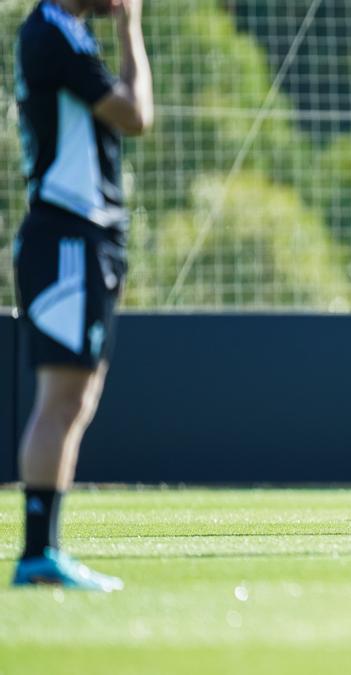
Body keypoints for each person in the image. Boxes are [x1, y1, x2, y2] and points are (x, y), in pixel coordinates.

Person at [11, 0, 153, 591]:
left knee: (76, 398)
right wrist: (131, 28)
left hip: (86, 236)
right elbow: (135, 114)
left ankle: (44, 552)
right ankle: (38, 554)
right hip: (66, 233)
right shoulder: (51, 31)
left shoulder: (68, 32)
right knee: (62, 398)